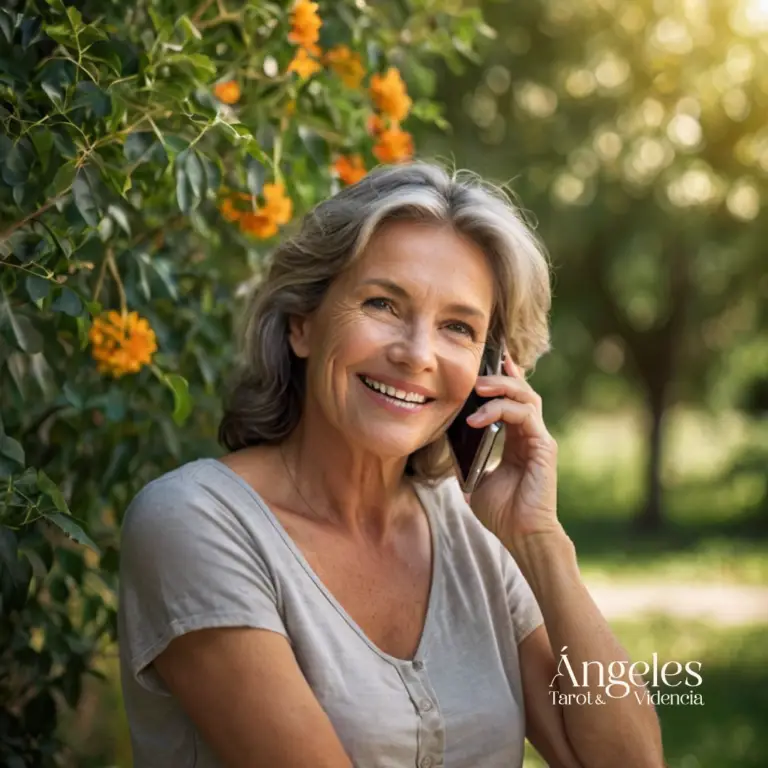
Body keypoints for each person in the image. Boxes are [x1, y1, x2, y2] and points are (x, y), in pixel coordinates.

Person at [117, 162, 665, 768]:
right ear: (302, 323)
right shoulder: (194, 523)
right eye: (382, 303)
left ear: (490, 370)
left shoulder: (474, 537)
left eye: (458, 327)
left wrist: (540, 543)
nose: (416, 354)